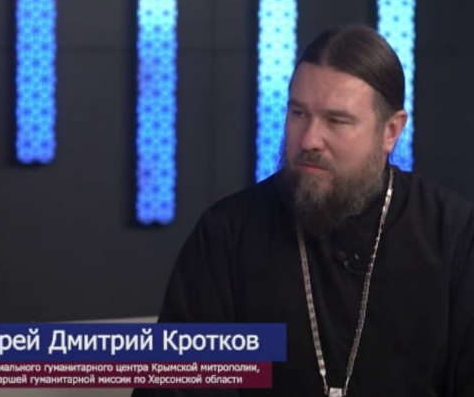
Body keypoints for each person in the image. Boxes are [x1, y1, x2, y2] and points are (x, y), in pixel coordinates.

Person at [132, 25, 474, 396]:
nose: (309, 139)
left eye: (336, 121)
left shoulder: (453, 235)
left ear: (390, 131)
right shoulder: (227, 236)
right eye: (298, 113)